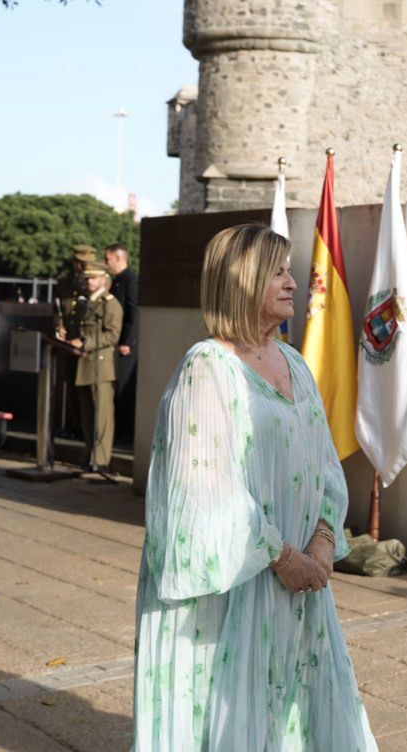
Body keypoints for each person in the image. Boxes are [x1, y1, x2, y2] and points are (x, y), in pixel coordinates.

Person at [133, 223, 375, 750]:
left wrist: (323, 541)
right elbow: (202, 490)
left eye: (290, 271)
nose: (293, 283)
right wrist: (284, 558)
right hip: (235, 588)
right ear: (241, 281)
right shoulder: (206, 368)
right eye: (277, 273)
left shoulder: (295, 362)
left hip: (301, 579)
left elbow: (325, 462)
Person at [69, 261, 123, 478]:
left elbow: (113, 334)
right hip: (85, 364)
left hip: (101, 366)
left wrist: (85, 343)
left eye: (93, 278)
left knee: (102, 417)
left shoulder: (110, 304)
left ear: (104, 279)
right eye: (87, 278)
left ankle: (100, 460)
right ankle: (88, 456)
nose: (89, 282)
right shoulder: (85, 302)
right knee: (87, 416)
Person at [106, 242, 139, 437]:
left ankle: (126, 432)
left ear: (118, 258)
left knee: (124, 390)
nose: (106, 263)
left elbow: (133, 313)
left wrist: (128, 342)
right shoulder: (117, 281)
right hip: (115, 343)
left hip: (126, 347)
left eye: (108, 259)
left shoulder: (130, 280)